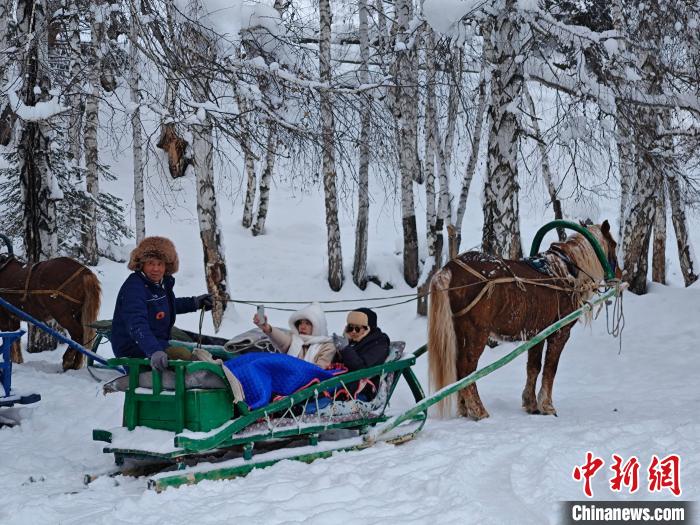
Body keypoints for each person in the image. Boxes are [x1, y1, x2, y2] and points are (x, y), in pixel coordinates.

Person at [111, 236, 213, 371]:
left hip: (157, 342)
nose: (155, 269)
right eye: (150, 263)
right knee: (183, 355)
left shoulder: (160, 283)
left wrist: (195, 303)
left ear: (167, 266)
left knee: (201, 353)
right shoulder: (134, 287)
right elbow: (136, 324)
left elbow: (165, 305)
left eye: (160, 264)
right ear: (142, 264)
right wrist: (154, 350)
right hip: (133, 347)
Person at [253, 302, 336, 368]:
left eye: (307, 323)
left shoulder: (327, 346)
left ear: (318, 326)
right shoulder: (295, 339)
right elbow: (282, 340)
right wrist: (267, 328)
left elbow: (320, 370)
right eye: (300, 323)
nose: (302, 327)